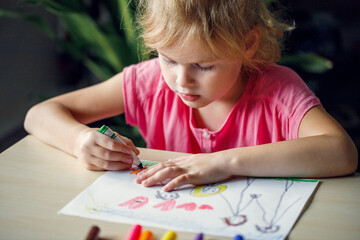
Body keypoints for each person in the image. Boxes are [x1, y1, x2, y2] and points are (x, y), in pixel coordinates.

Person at [24, 0, 358, 192]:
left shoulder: (278, 91)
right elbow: (38, 115)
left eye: (204, 65)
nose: (182, 81)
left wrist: (223, 162)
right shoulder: (149, 82)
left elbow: (341, 152)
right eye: (168, 59)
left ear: (248, 44)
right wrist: (80, 140)